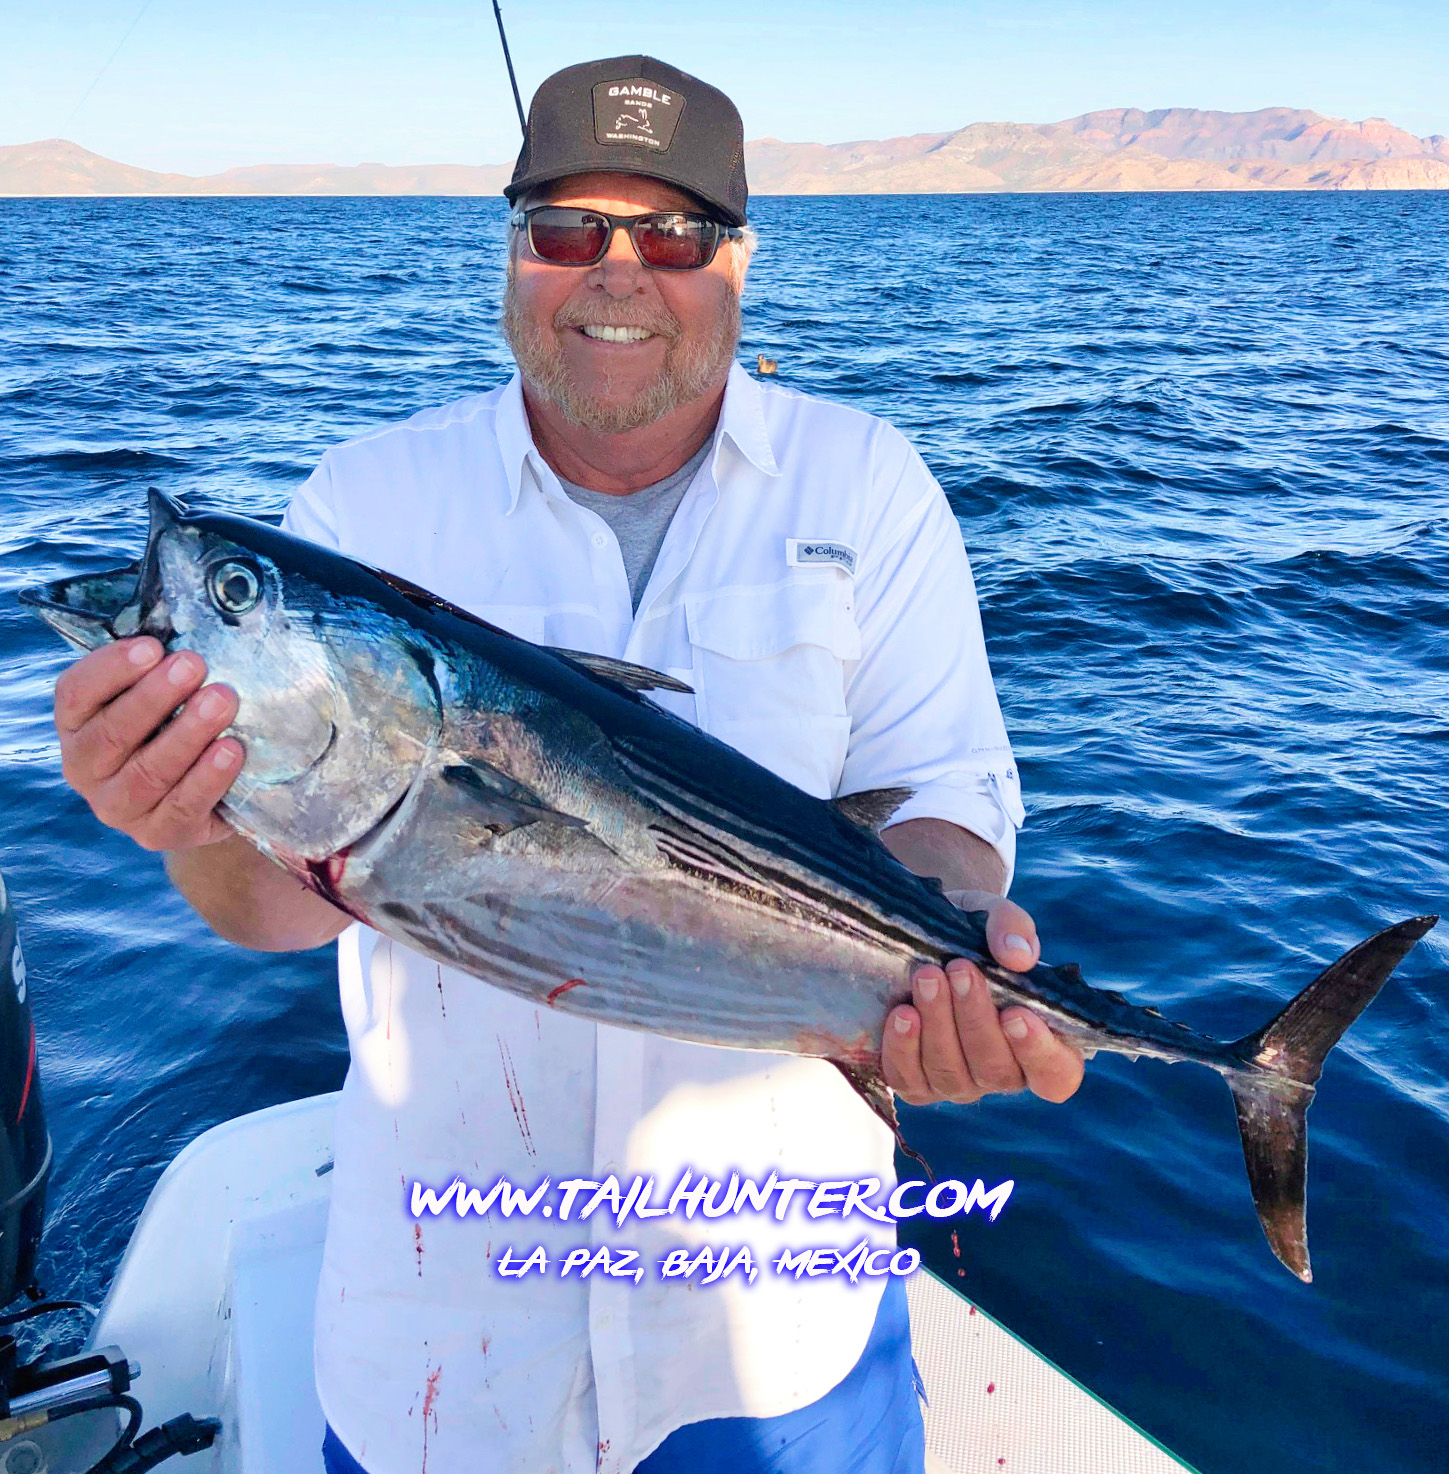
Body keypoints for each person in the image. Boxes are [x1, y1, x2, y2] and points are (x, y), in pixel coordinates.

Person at [50, 56, 1084, 1474]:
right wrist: (185, 817)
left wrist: (939, 977)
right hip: (441, 1353)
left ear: (739, 260)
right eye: (566, 229)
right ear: (512, 250)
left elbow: (948, 809)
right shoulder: (369, 498)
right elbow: (274, 903)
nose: (616, 274)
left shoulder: (866, 487)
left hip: (780, 1330)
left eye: (672, 236)